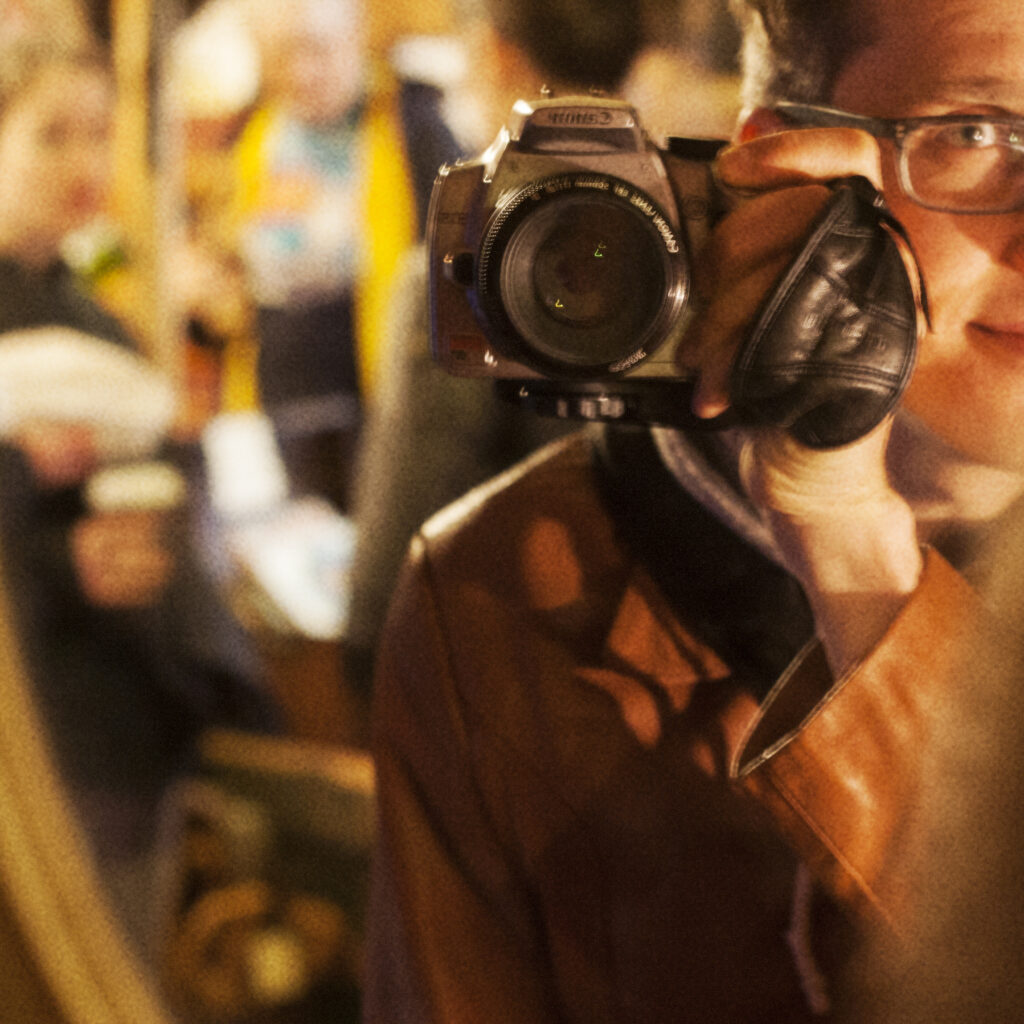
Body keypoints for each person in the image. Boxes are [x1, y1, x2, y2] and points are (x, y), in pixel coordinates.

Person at [365, 0, 1024, 1019]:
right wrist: (826, 504)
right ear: (780, 169)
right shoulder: (504, 594)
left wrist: (858, 561)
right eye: (977, 133)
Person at [0, 37, 279, 949]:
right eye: (52, 136)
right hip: (33, 740)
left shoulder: (84, 312)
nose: (87, 164)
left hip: (120, 727)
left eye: (98, 133)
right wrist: (56, 550)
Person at [342, 0, 656, 698]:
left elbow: (417, 485)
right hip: (659, 660)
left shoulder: (477, 250)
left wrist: (363, 651)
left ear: (498, 53)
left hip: (502, 669)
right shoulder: (678, 219)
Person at [214, 0, 459, 511]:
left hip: (380, 398)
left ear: (355, 43)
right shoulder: (260, 132)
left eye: (317, 49)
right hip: (279, 398)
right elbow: (237, 246)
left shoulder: (414, 126)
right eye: (283, 54)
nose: (301, 72)